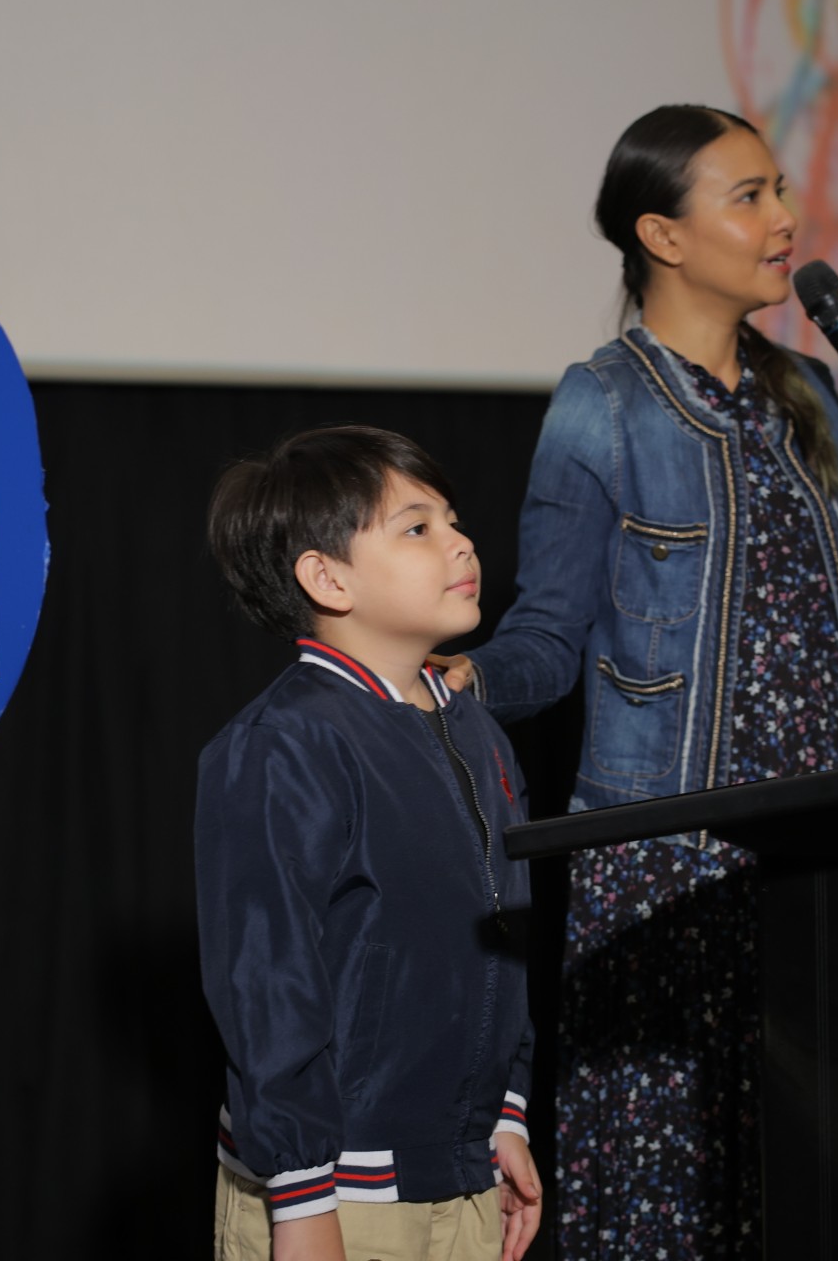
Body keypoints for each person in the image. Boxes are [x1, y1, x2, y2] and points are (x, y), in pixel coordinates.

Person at [433, 105, 838, 1257]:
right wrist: (442, 679)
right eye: (750, 196)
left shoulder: (810, 393)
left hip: (816, 852)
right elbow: (548, 640)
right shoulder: (601, 403)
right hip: (669, 856)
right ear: (663, 235)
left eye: (782, 189)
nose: (788, 219)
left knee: (809, 1187)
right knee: (667, 1208)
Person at [196, 426, 542, 1261]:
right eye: (417, 527)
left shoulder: (479, 732)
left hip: (462, 1183)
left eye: (454, 520)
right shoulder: (281, 745)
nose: (460, 541)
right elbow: (266, 987)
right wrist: (301, 1198)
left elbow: (504, 936)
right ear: (326, 576)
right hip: (339, 1200)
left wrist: (506, 1115)